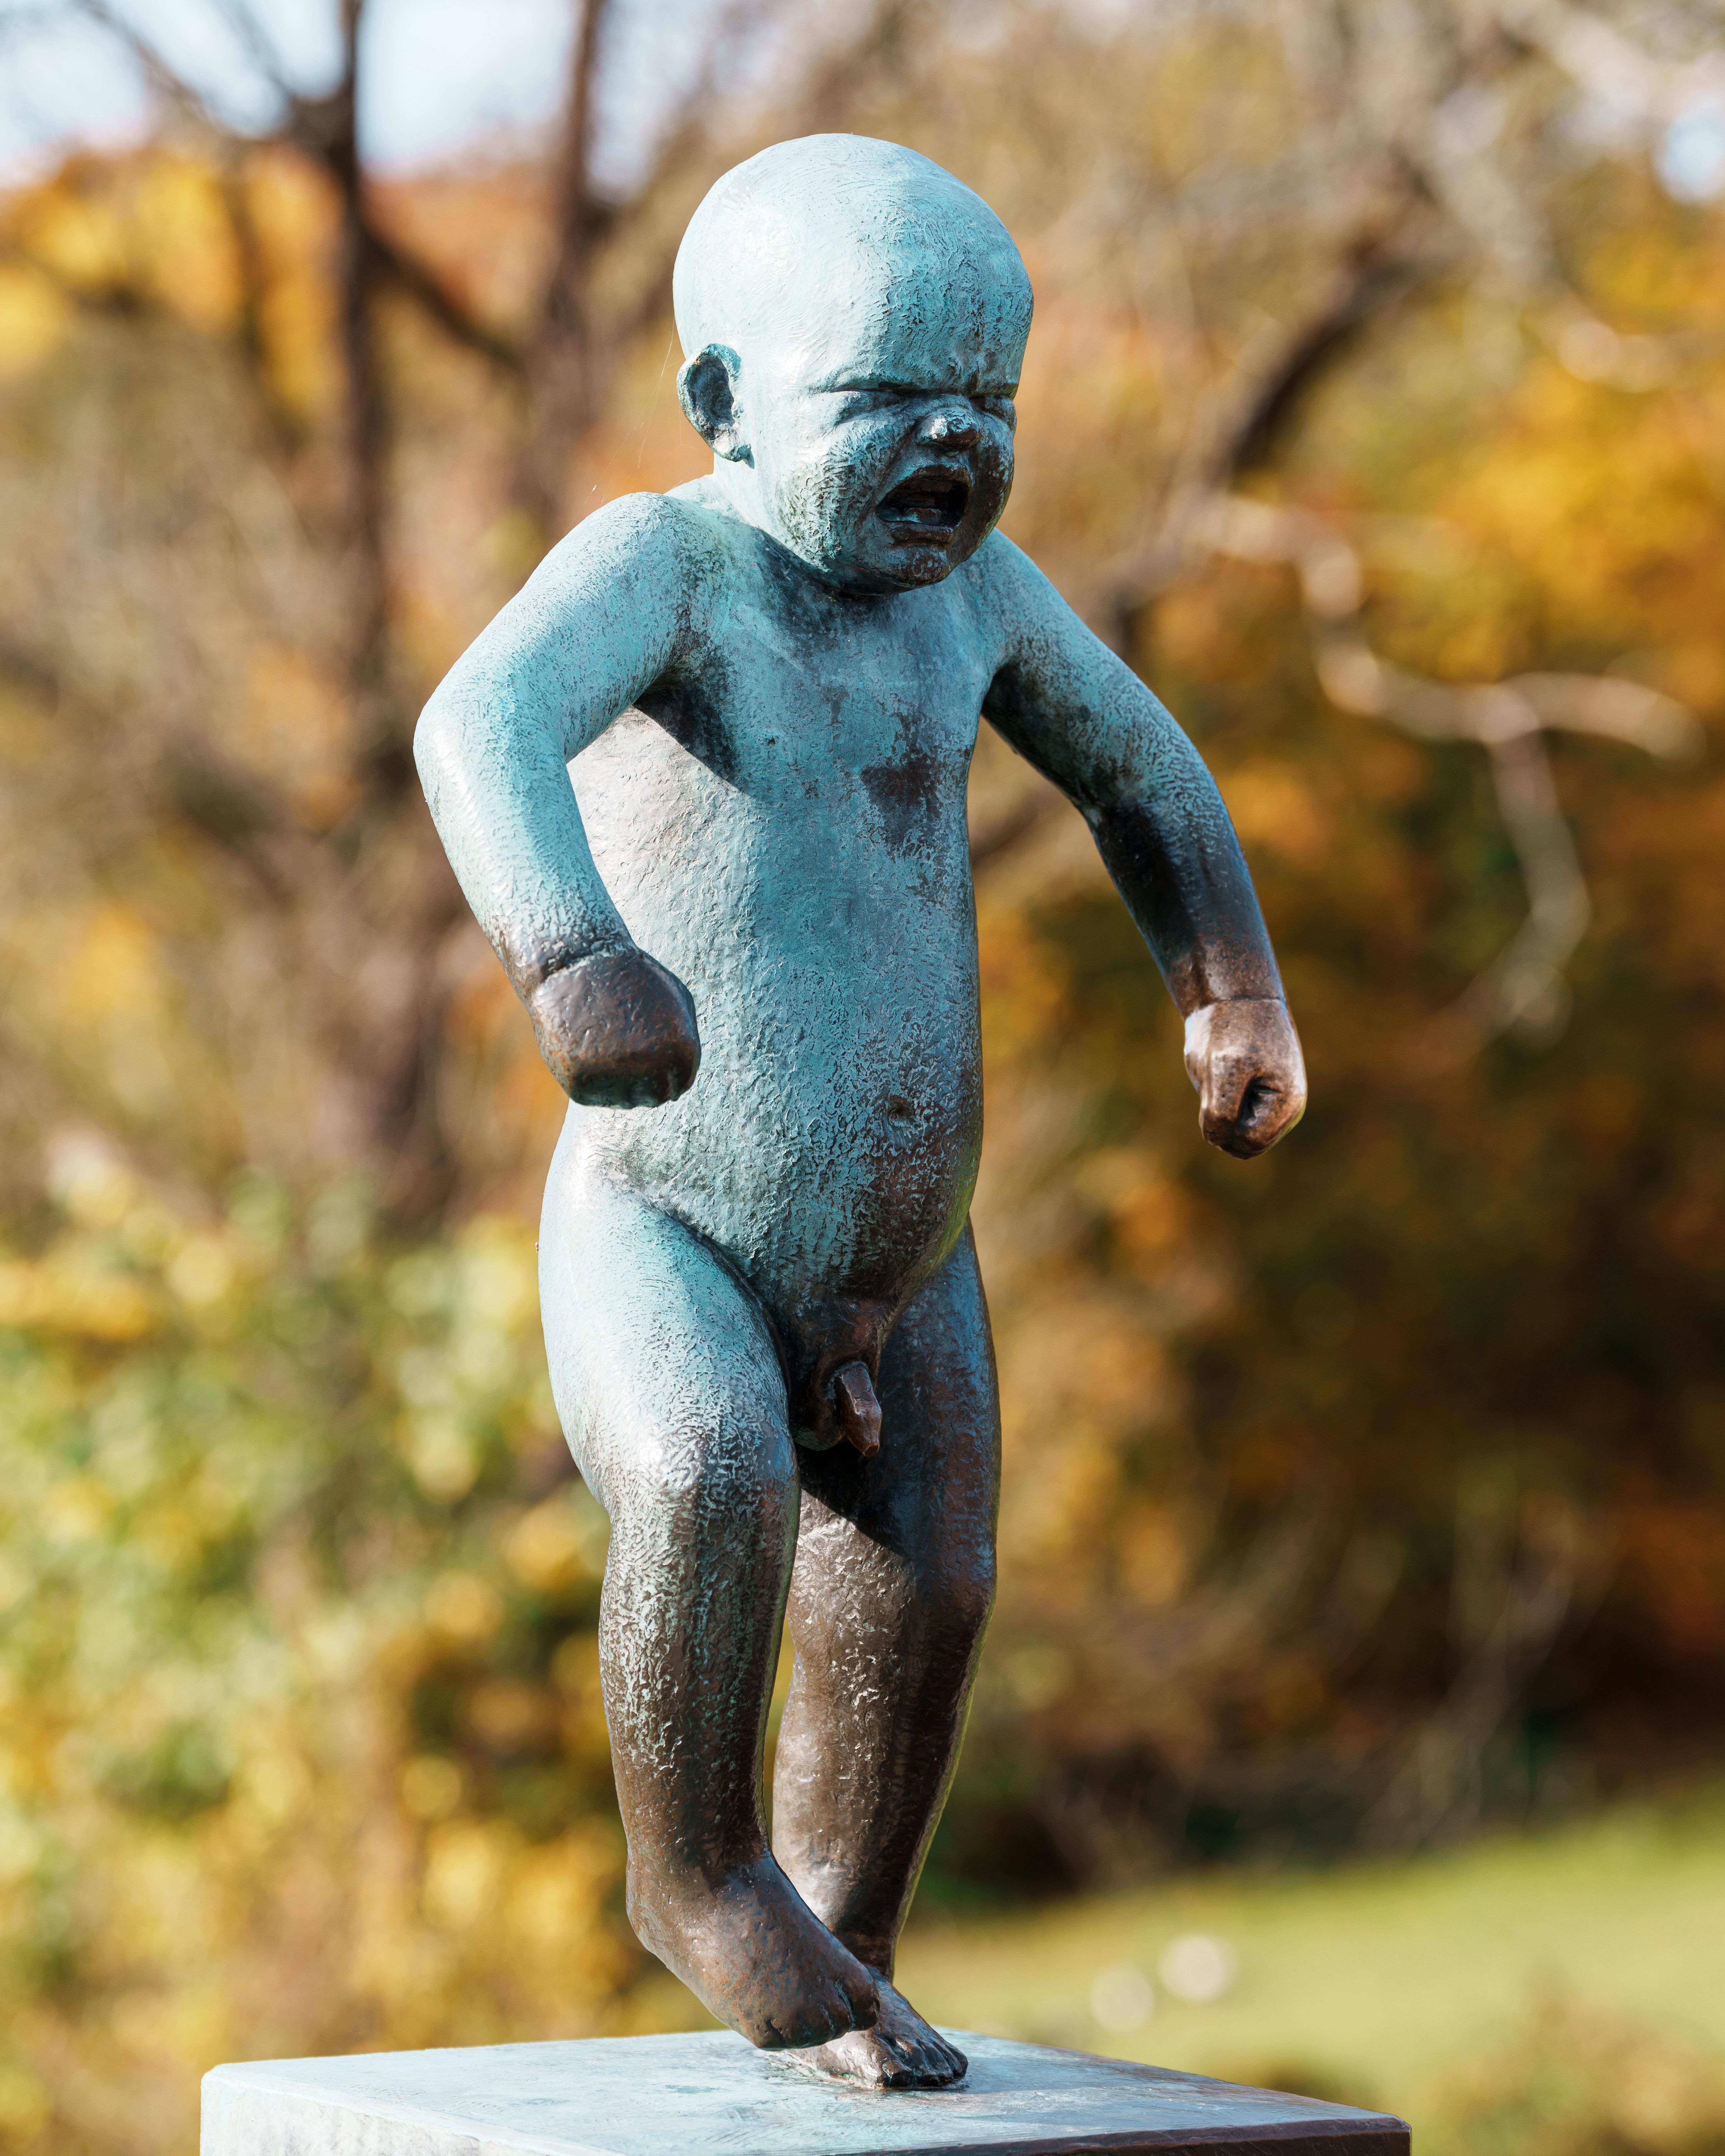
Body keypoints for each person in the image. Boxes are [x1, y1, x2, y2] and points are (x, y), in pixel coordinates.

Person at [415, 133, 1306, 2090]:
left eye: (986, 402)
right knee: (709, 1479)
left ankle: (846, 1923)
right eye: (885, 401)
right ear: (722, 402)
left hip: (913, 1254)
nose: (951, 447)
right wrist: (572, 956)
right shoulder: (666, 567)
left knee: (933, 1588)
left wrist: (1227, 985)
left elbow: (1147, 782)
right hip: (669, 1214)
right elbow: (474, 728)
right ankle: (700, 1873)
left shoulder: (973, 599)